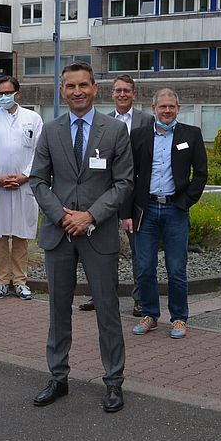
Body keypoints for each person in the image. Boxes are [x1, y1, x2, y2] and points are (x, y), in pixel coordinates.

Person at [29, 62, 132, 412]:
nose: (77, 92)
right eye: (70, 86)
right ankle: (58, 378)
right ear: (62, 90)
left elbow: (124, 184)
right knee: (58, 310)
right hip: (59, 234)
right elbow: (38, 181)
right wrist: (61, 216)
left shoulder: (115, 131)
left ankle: (114, 382)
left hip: (98, 233)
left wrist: (90, 216)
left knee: (107, 310)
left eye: (83, 85)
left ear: (95, 88)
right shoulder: (50, 130)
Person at [129, 88, 207, 340]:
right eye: (162, 106)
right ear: (153, 109)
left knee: (176, 268)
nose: (166, 111)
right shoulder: (139, 135)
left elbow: (201, 174)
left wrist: (185, 202)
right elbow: (128, 175)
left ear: (178, 108)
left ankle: (179, 318)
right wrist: (126, 211)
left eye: (171, 106)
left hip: (175, 210)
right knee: (145, 267)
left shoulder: (191, 134)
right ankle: (150, 314)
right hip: (146, 210)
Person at [80, 74, 154, 316]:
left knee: (138, 252)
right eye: (118, 90)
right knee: (101, 250)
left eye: (126, 90)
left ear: (134, 94)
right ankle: (101, 295)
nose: (122, 94)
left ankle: (140, 299)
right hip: (107, 197)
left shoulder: (147, 121)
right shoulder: (102, 122)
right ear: (111, 94)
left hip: (135, 197)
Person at [0, 76, 43, 301]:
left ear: (18, 93)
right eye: (0, 93)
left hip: (23, 186)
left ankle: (20, 281)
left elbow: (39, 151)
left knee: (20, 235)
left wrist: (25, 176)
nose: (3, 97)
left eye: (8, 93)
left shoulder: (33, 119)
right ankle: (1, 281)